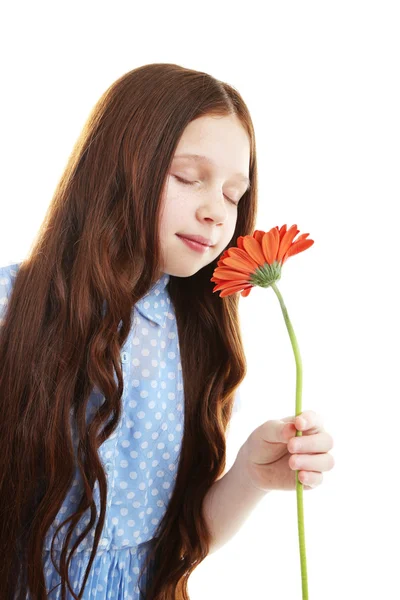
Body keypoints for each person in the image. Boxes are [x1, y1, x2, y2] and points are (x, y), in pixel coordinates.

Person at [0, 63, 334, 600]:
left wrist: (250, 474)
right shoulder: (13, 305)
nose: (215, 213)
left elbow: (176, 542)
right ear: (115, 167)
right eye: (187, 178)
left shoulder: (192, 334)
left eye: (233, 195)